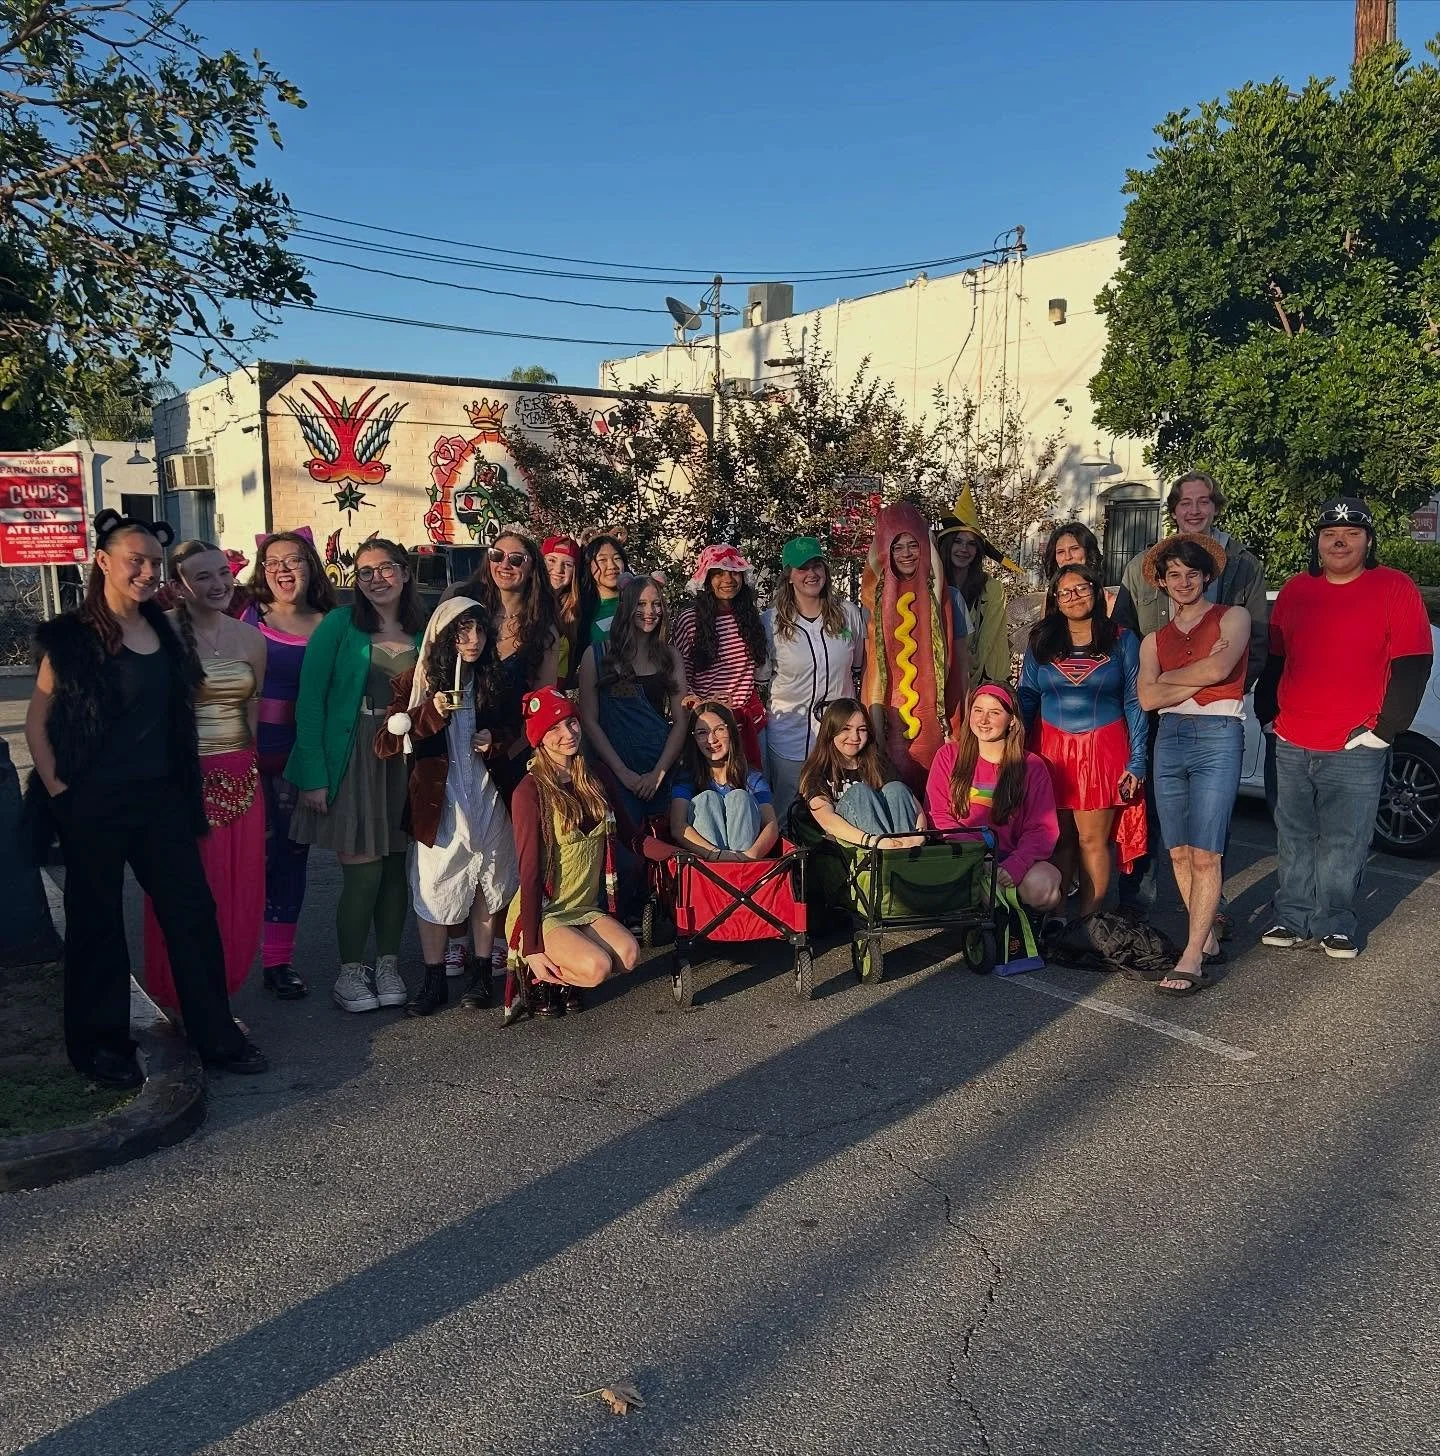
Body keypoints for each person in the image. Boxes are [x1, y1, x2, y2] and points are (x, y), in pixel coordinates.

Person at [22, 510, 267, 1085]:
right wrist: (62, 794)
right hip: (94, 806)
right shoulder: (72, 638)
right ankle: (102, 1047)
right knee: (98, 924)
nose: (147, 572)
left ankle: (215, 1036)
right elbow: (38, 723)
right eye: (136, 561)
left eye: (154, 564)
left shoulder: (165, 630)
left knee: (192, 916)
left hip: (162, 804)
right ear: (103, 562)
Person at [1254, 496, 1432, 958]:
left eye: (1352, 534)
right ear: (1317, 541)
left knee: (1345, 839)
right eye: (1330, 534)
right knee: (1293, 835)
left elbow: (1413, 663)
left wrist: (1386, 730)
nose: (1340, 541)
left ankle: (1335, 921)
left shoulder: (1394, 587)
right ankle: (1291, 917)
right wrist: (1269, 713)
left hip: (1356, 740)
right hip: (1293, 736)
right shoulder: (1296, 591)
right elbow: (1276, 656)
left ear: (1368, 541)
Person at [1112, 471, 1268, 922]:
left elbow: (1253, 647)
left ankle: (1208, 912)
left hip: (1213, 715)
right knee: (1153, 812)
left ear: (1215, 506)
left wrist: (1215, 687)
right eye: (1185, 502)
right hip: (1155, 710)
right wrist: (1150, 692)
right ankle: (1136, 905)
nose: (1194, 510)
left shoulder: (1242, 565)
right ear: (1174, 510)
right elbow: (1127, 640)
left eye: (1203, 501)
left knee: (1208, 822)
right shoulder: (1143, 567)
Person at [287, 538, 426, 1013]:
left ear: (405, 573)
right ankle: (351, 971)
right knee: (362, 874)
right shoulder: (339, 625)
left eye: (386, 568)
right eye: (364, 573)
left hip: (406, 760)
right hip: (353, 757)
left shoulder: (424, 628)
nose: (376, 579)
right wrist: (313, 775)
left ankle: (387, 964)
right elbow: (310, 702)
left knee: (394, 872)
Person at [141, 539, 268, 1015]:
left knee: (240, 893)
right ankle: (186, 1002)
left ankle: (221, 999)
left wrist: (250, 770)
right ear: (178, 586)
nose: (217, 584)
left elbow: (251, 710)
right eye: (203, 577)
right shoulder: (158, 636)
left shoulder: (252, 638)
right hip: (182, 786)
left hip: (241, 781)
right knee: (191, 894)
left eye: (222, 573)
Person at [376, 598, 519, 1016]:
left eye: (479, 630)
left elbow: (519, 732)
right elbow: (386, 742)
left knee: (486, 881)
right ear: (444, 637)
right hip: (440, 801)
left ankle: (479, 974)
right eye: (462, 632)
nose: (473, 640)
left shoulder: (495, 679)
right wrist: (429, 714)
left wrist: (495, 739)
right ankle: (434, 977)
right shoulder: (413, 683)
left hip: (487, 794)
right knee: (435, 885)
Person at [1135, 535, 1251, 994]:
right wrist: (1183, 679)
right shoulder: (1152, 639)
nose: (1184, 582)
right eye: (1175, 575)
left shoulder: (1233, 616)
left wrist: (1165, 680)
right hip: (1172, 738)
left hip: (1218, 735)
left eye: (1192, 573)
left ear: (1207, 576)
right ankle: (1206, 941)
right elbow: (1146, 697)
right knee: (1179, 850)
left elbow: (1219, 672)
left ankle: (1191, 954)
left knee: (1207, 850)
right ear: (1163, 583)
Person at [1019, 563, 1146, 918]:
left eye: (1082, 588)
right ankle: (1057, 919)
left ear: (1097, 591)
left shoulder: (1122, 639)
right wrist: (1015, 753)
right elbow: (1026, 696)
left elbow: (1135, 701)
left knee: (1093, 841)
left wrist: (1138, 760)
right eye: (1065, 591)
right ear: (1055, 600)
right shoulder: (1040, 639)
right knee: (1058, 840)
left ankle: (1089, 923)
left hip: (1102, 750)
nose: (1074, 596)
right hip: (1049, 751)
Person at [242, 527, 336, 1000]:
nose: (282, 569)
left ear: (310, 566)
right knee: (244, 857)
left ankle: (278, 962)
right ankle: (231, 954)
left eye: (293, 559)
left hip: (300, 758)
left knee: (290, 856)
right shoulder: (245, 617)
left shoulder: (332, 622)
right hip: (244, 755)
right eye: (272, 561)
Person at [505, 686, 639, 1020]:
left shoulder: (596, 777)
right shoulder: (529, 791)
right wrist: (533, 947)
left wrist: (682, 854)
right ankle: (539, 979)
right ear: (539, 738)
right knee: (597, 968)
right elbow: (530, 873)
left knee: (629, 956)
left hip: (583, 907)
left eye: (571, 722)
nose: (568, 733)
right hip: (544, 911)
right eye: (554, 728)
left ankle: (564, 971)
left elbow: (632, 839)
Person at [860, 502, 970, 795]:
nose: (906, 553)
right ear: (885, 551)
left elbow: (962, 664)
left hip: (936, 716)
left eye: (913, 544)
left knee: (937, 787)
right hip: (888, 714)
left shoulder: (950, 598)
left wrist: (960, 717)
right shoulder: (870, 603)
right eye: (897, 546)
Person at [924, 684, 1062, 910]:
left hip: (1010, 858)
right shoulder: (948, 756)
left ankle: (1023, 930)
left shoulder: (1032, 766)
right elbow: (938, 815)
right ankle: (984, 929)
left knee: (1044, 886)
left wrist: (1015, 865)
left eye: (994, 713)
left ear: (1012, 720)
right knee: (984, 892)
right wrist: (980, 855)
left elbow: (1042, 829)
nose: (983, 720)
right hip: (964, 854)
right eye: (978, 711)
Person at [760, 535, 865, 824]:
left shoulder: (848, 614)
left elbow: (858, 668)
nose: (811, 574)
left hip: (841, 738)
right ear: (789, 576)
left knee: (843, 813)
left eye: (817, 565)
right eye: (802, 567)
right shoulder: (770, 622)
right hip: (789, 737)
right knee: (785, 816)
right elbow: (762, 677)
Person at [577, 573, 689, 838]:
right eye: (640, 604)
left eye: (656, 604)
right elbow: (589, 721)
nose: (649, 612)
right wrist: (623, 773)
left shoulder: (670, 657)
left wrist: (658, 773)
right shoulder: (597, 655)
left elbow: (681, 719)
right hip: (612, 770)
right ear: (627, 606)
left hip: (659, 765)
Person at [672, 543, 770, 768]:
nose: (728, 579)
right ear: (706, 579)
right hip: (710, 725)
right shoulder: (690, 620)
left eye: (734, 572)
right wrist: (705, 704)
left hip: (749, 721)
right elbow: (681, 679)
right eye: (718, 573)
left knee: (757, 788)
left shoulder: (749, 616)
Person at [797, 698, 926, 850]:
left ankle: (904, 854)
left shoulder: (877, 762)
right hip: (848, 843)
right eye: (846, 729)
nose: (855, 737)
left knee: (896, 788)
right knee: (860, 792)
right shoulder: (818, 770)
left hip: (892, 840)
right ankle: (882, 859)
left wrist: (919, 835)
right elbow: (826, 819)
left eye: (862, 729)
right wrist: (872, 841)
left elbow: (913, 804)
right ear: (831, 731)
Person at [670, 700, 780, 860]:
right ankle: (721, 872)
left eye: (719, 729)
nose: (711, 739)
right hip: (709, 861)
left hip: (746, 861)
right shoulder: (687, 777)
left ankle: (737, 873)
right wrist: (717, 855)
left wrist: (748, 857)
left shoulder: (752, 777)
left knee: (740, 797)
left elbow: (771, 825)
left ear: (732, 732)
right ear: (693, 739)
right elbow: (678, 826)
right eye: (702, 733)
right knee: (706, 799)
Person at [935, 485, 1019, 692]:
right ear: (946, 546)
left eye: (971, 544)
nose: (964, 549)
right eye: (957, 542)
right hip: (936, 680)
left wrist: (984, 688)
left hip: (976, 682)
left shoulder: (991, 589)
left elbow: (992, 642)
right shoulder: (933, 585)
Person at [1040, 522, 1118, 617]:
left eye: (1074, 549)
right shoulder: (1051, 600)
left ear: (1088, 552)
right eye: (1061, 552)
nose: (1068, 557)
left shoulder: (1108, 601)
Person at [542, 534, 582, 687]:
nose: (558, 569)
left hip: (554, 698)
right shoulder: (528, 604)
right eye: (551, 560)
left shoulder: (571, 611)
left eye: (568, 564)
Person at [577, 534, 629, 650]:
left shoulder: (637, 602)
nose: (611, 566)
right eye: (602, 560)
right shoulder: (578, 609)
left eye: (617, 558)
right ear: (588, 566)